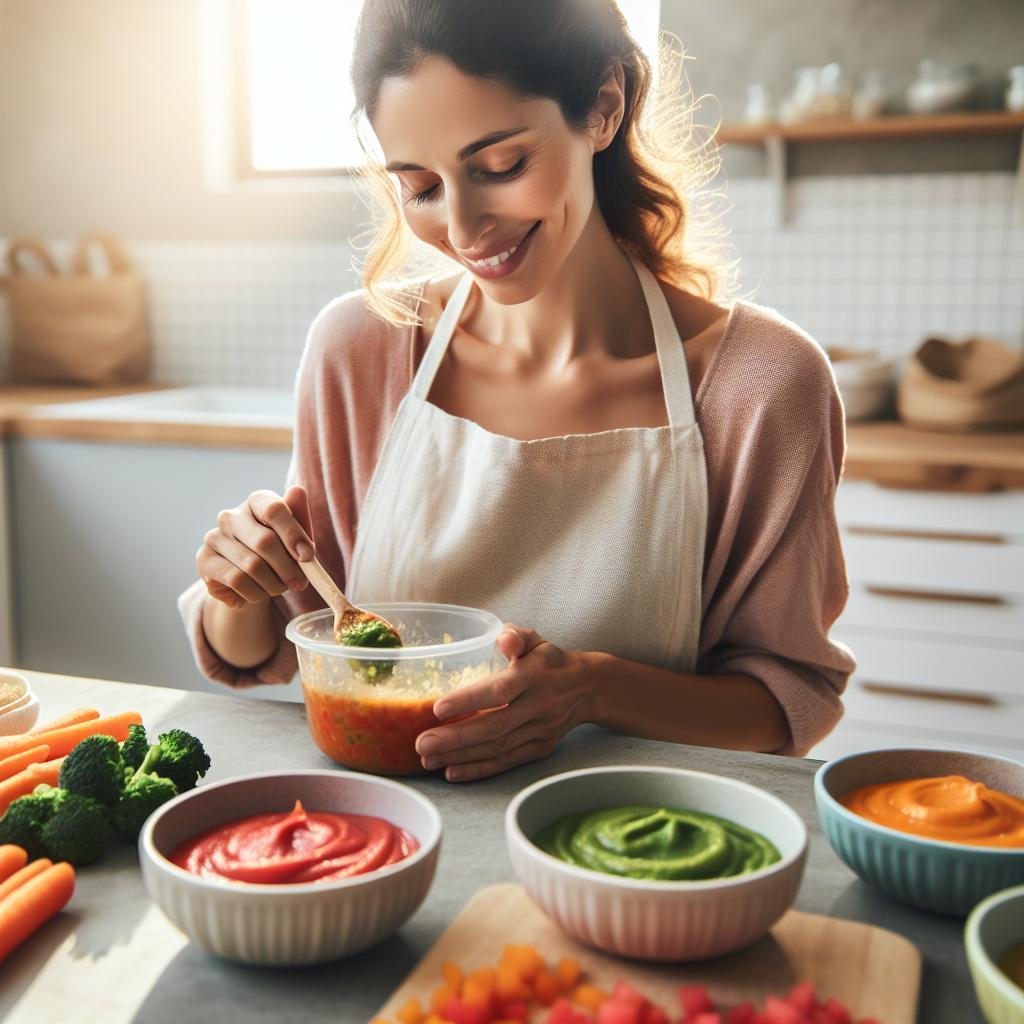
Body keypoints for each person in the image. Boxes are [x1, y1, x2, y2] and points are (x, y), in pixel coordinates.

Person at [178, 0, 856, 781]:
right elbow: (278, 647)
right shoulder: (361, 350)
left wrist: (593, 690)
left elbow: (783, 704)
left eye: (498, 167)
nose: (465, 229)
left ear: (604, 107)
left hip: (630, 859)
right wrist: (240, 587)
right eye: (421, 186)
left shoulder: (762, 386)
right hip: (392, 848)